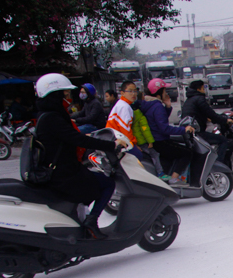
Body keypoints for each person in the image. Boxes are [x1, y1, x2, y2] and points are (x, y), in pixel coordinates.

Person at [34, 73, 128, 239]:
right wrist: (111, 145)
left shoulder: (46, 115)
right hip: (63, 174)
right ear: (55, 96)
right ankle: (91, 222)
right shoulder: (52, 118)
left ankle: (80, 220)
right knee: (106, 184)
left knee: (91, 182)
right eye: (65, 94)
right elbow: (76, 139)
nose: (69, 98)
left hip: (61, 170)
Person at [140, 78, 195, 186]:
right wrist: (183, 130)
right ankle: (174, 179)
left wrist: (168, 106)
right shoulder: (157, 106)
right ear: (159, 92)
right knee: (187, 153)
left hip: (154, 139)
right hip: (160, 140)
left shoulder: (149, 104)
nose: (166, 93)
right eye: (164, 90)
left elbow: (161, 119)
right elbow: (164, 128)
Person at [181, 79, 233, 163]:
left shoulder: (190, 99)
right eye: (203, 88)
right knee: (223, 140)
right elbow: (211, 114)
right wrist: (226, 120)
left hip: (191, 133)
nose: (204, 90)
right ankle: (218, 165)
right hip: (197, 133)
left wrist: (208, 118)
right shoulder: (199, 99)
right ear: (199, 89)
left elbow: (199, 113)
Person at [132, 92, 168, 180]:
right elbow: (145, 130)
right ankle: (160, 173)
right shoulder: (141, 117)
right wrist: (150, 142)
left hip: (136, 141)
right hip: (143, 142)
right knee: (155, 154)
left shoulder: (132, 115)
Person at [106, 81, 142, 159]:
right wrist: (133, 144)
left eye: (135, 91)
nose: (133, 94)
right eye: (130, 91)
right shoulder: (124, 107)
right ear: (122, 93)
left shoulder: (122, 104)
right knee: (139, 156)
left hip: (114, 138)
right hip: (119, 140)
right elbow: (125, 129)